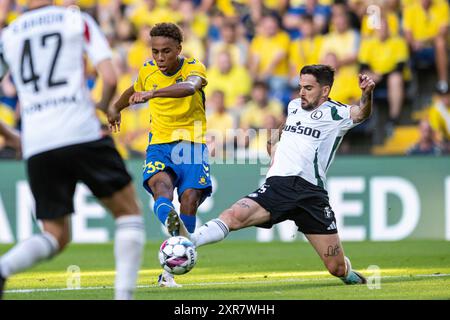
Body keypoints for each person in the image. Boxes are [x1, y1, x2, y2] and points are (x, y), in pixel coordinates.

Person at [171, 65, 375, 285]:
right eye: (300, 87)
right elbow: (279, 134)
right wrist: (273, 148)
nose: (302, 92)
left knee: (336, 268)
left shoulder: (338, 113)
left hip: (311, 193)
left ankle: (348, 274)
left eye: (308, 88)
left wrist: (367, 94)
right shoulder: (294, 106)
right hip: (279, 186)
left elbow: (361, 112)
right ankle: (190, 240)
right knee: (232, 216)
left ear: (325, 91)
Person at [0, 0, 145, 300]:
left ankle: (3, 268)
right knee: (127, 212)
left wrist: (12, 136)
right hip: (81, 131)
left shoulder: (9, 36)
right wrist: (104, 108)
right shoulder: (75, 20)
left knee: (55, 235)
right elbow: (110, 77)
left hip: (38, 143)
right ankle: (124, 297)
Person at [107, 22, 211, 288]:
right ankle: (172, 224)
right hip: (160, 144)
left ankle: (169, 272)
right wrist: (115, 108)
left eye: (166, 51)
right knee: (160, 189)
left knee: (189, 199)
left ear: (179, 49)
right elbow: (135, 88)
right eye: (155, 52)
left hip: (192, 143)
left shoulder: (194, 68)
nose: (160, 57)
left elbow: (189, 88)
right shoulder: (147, 69)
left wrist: (151, 94)